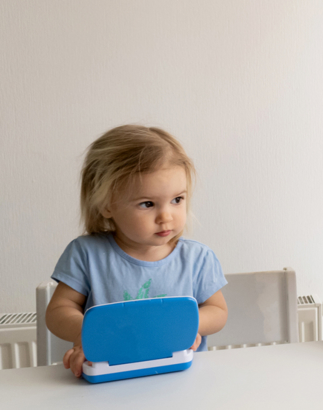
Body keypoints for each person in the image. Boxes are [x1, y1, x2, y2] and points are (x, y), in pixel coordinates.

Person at [45, 125, 228, 378]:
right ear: (107, 204)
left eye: (177, 200)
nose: (166, 217)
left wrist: (188, 326)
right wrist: (89, 336)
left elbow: (218, 311)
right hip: (110, 380)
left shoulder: (198, 259)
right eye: (147, 204)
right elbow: (57, 311)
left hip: (179, 379)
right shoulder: (86, 254)